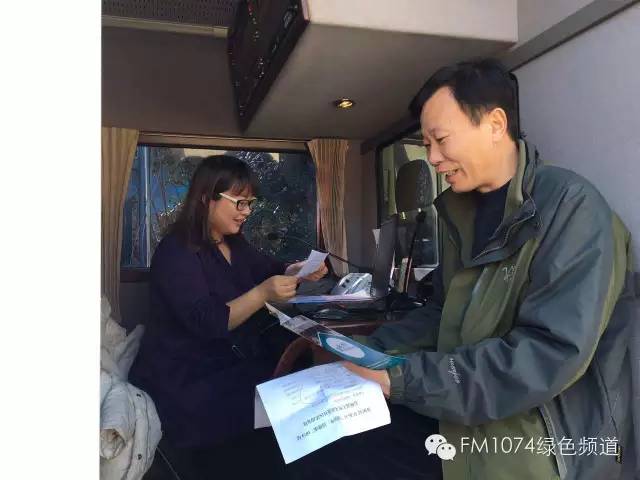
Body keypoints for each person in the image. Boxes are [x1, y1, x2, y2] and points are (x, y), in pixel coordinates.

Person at [291, 59, 637, 480]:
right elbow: (442, 315)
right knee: (318, 439)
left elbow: (547, 356)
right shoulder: (463, 214)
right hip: (463, 405)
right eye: (426, 144)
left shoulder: (571, 209)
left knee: (336, 456)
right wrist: (366, 352)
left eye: (440, 140)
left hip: (536, 438)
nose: (433, 158)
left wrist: (401, 380)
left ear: (495, 124)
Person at [128, 155, 328, 478]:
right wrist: (262, 293)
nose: (247, 212)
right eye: (239, 202)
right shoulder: (175, 251)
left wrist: (298, 270)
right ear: (206, 198)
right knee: (274, 404)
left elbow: (269, 270)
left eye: (250, 203)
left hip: (226, 360)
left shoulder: (234, 243)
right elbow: (208, 321)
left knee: (299, 379)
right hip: (187, 374)